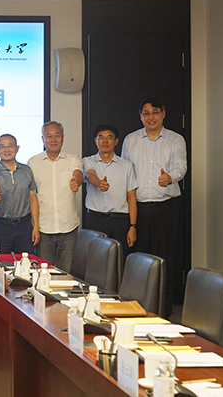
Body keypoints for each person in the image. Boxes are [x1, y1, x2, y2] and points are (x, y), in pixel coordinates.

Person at [122, 98, 187, 316]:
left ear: (163, 114)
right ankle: (138, 308)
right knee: (139, 260)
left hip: (166, 208)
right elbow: (125, 172)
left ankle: (163, 312)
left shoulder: (175, 140)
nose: (151, 117)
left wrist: (170, 177)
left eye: (155, 112)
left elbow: (181, 166)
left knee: (164, 260)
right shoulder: (131, 140)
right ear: (140, 116)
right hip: (138, 209)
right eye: (146, 113)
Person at [27, 121, 83, 271]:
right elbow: (31, 195)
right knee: (44, 272)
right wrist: (35, 226)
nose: (53, 140)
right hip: (43, 228)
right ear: (43, 139)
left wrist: (76, 182)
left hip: (68, 226)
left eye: (57, 135)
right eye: (49, 136)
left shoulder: (73, 159)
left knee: (67, 272)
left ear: (63, 137)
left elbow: (78, 174)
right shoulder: (33, 162)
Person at [83, 124, 138, 257]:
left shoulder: (126, 166)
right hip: (95, 220)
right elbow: (90, 175)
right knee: (94, 260)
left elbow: (131, 198)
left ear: (116, 141)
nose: (105, 141)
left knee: (119, 259)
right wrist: (99, 183)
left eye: (109, 137)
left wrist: (133, 226)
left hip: (120, 221)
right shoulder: (88, 161)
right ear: (95, 141)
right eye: (101, 137)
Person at [0, 134, 39, 254]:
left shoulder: (26, 170)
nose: (6, 150)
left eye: (10, 146)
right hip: (1, 226)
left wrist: (35, 226)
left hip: (24, 226)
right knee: (1, 262)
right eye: (2, 147)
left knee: (27, 262)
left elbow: (32, 197)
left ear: (17, 148)